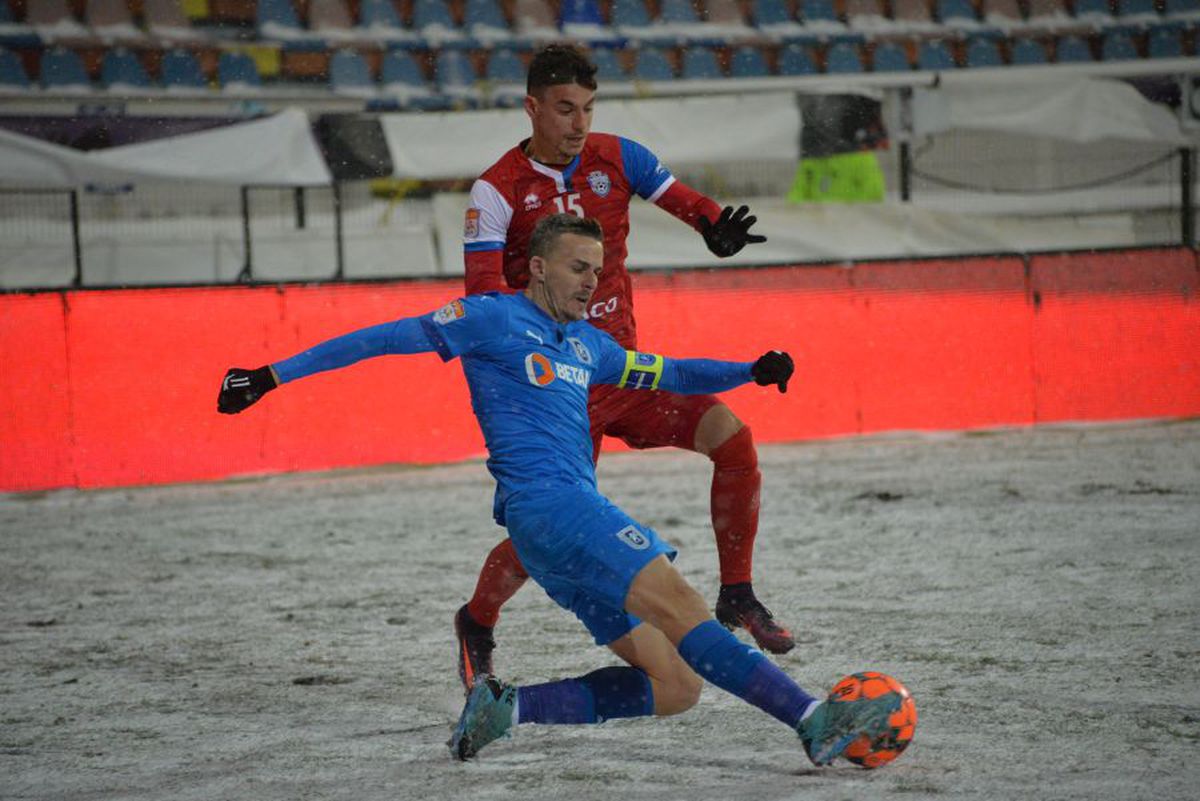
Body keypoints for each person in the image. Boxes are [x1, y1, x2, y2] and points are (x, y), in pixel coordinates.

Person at [217, 214, 900, 765]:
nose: (590, 281)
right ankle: (812, 718)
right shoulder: (489, 318)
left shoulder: (587, 345)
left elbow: (671, 372)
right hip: (558, 509)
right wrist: (271, 375)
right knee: (685, 608)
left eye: (596, 270)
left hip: (545, 538)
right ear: (539, 267)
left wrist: (749, 370)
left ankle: (507, 706)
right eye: (578, 268)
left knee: (676, 684)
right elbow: (383, 339)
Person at [455, 43, 790, 692]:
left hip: (625, 373)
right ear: (531, 108)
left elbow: (687, 201)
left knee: (734, 442)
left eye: (587, 108)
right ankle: (476, 620)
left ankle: (737, 594)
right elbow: (481, 302)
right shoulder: (495, 191)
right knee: (541, 536)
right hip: (556, 395)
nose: (578, 123)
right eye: (564, 109)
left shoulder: (619, 157)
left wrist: (714, 227)